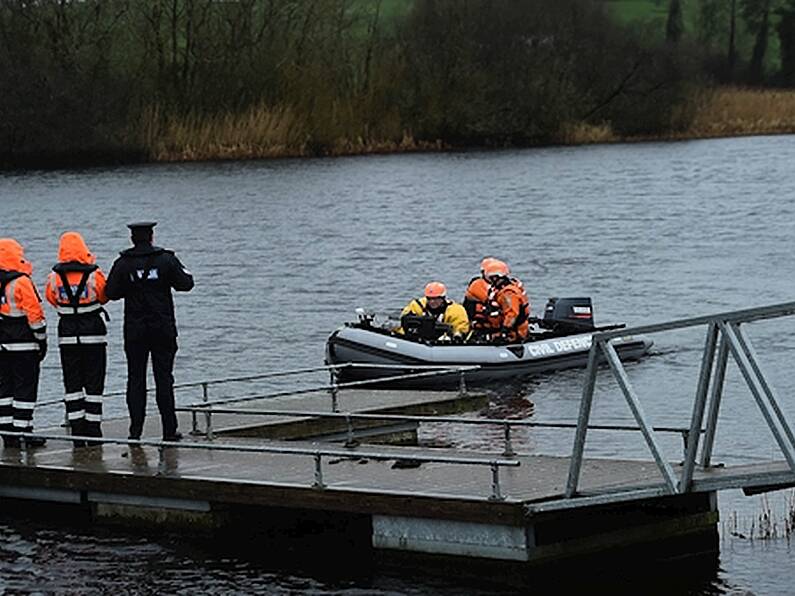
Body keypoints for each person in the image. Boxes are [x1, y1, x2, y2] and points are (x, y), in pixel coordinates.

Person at [105, 222, 194, 441]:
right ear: (152, 236)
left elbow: (111, 293)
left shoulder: (122, 263)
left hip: (135, 330)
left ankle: (135, 432)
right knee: (164, 378)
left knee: (135, 379)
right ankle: (169, 430)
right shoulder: (166, 259)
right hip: (162, 328)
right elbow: (186, 284)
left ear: (132, 239)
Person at [45, 232, 109, 446]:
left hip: (67, 334)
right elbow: (104, 295)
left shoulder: (54, 276)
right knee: (94, 383)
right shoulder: (94, 274)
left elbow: (51, 298)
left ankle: (77, 431)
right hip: (93, 333)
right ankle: (94, 430)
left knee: (72, 383)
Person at [0, 239, 47, 448]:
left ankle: (7, 434)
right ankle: (24, 432)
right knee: (25, 389)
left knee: (4, 390)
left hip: (2, 345)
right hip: (24, 343)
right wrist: (41, 339)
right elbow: (34, 314)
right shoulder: (21, 281)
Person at [398, 282, 469, 341]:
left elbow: (462, 327)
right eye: (429, 299)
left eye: (436, 299)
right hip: (417, 338)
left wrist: (455, 335)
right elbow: (404, 323)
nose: (432, 302)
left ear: (443, 298)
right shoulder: (417, 305)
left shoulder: (455, 310)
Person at [482, 259, 531, 343]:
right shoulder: (501, 290)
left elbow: (512, 314)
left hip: (513, 333)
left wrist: (504, 331)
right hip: (500, 328)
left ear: (496, 277)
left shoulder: (508, 293)